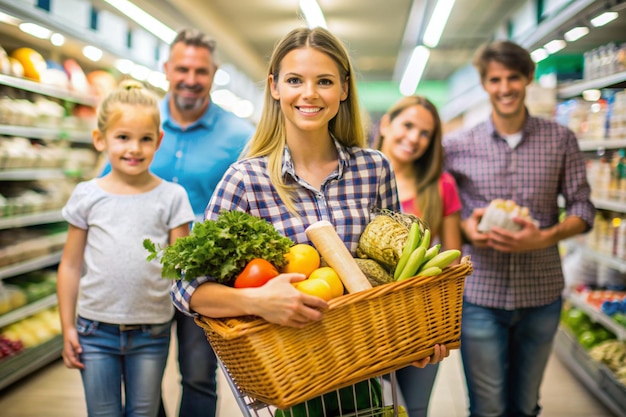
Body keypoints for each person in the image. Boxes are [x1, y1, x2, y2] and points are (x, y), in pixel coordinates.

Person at [171, 25, 449, 365]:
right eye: (294, 80)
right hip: (291, 371)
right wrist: (258, 301)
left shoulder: (374, 169)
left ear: (344, 89)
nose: (310, 93)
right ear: (274, 86)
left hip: (369, 362)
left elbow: (396, 273)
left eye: (325, 81)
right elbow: (187, 289)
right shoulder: (245, 179)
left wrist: (413, 338)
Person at [102, 28, 255, 417]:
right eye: (182, 68)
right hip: (142, 275)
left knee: (200, 374)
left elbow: (253, 205)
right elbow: (108, 185)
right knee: (142, 376)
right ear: (167, 69)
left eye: (200, 71)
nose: (190, 79)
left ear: (213, 73)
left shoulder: (239, 136)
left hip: (205, 279)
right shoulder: (140, 121)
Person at [443, 40, 595, 417]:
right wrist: (466, 230)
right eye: (495, 79)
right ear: (484, 84)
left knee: (526, 406)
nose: (505, 87)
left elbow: (583, 208)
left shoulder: (560, 140)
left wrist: (544, 236)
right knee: (487, 407)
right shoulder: (458, 145)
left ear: (529, 77)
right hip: (480, 294)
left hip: (540, 294)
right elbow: (444, 211)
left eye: (513, 77)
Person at [57, 80, 195, 417]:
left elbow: (182, 269)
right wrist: (68, 328)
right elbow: (70, 265)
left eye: (145, 138)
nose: (134, 148)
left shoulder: (172, 198)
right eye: (123, 137)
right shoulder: (87, 195)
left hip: (152, 331)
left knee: (144, 413)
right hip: (94, 330)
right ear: (100, 139)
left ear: (158, 141)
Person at [376, 95, 462, 417]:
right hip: (362, 318)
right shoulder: (356, 179)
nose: (414, 138)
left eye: (425, 133)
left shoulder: (440, 186)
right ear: (386, 123)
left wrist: (441, 325)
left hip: (419, 321)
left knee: (413, 409)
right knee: (365, 407)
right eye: (407, 125)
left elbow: (454, 262)